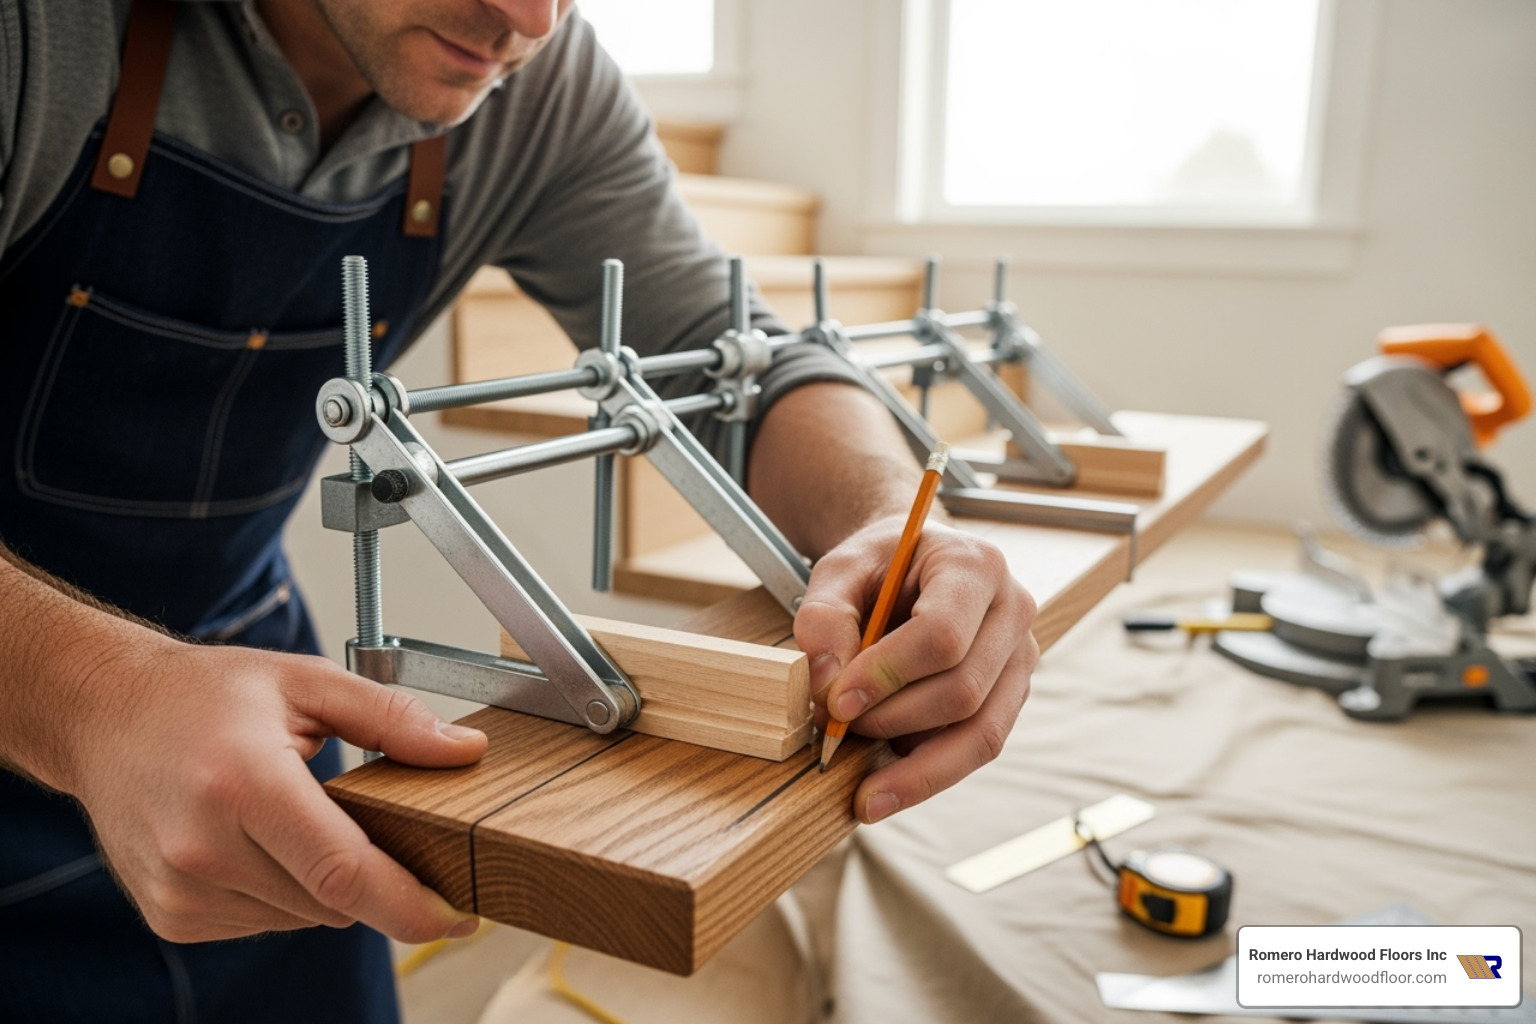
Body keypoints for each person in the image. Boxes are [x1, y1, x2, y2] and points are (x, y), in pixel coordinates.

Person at [0, 1, 1039, 1020]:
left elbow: (742, 362)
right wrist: (95, 693)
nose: (532, 21)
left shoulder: (539, 83)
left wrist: (890, 520)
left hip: (248, 694)